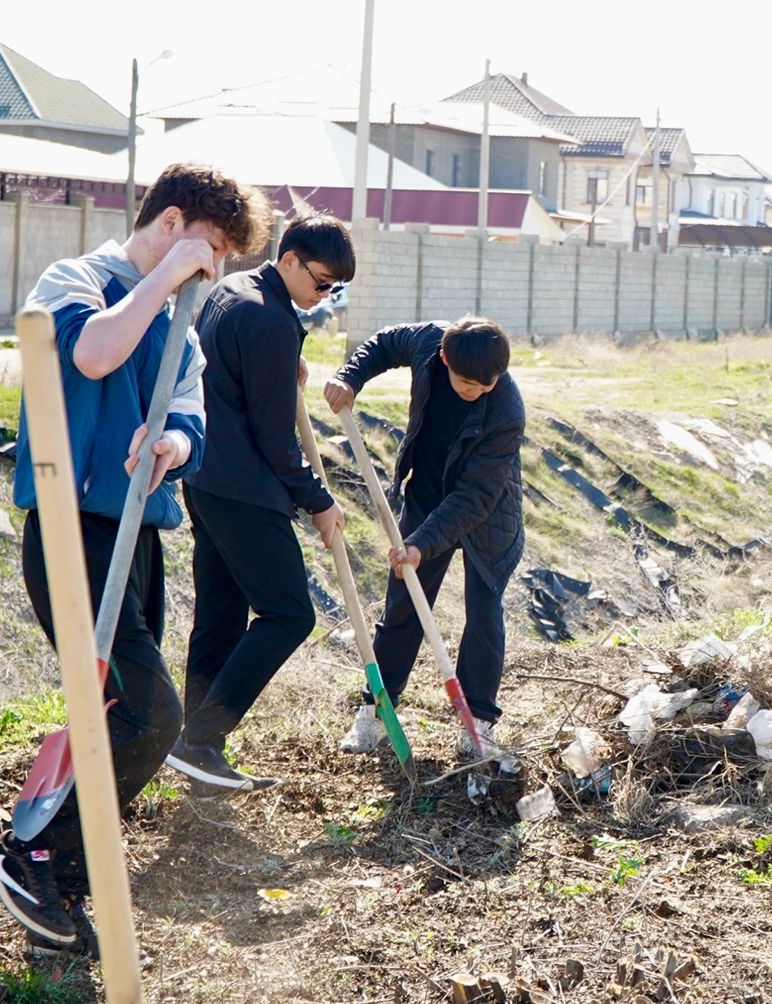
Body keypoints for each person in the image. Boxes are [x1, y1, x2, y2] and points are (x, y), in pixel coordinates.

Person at [0, 163, 269, 955]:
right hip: (71, 529)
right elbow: (93, 356)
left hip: (139, 531)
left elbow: (190, 412)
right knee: (152, 714)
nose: (212, 274)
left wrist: (171, 442)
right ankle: (30, 853)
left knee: (112, 715)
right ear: (171, 224)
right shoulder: (77, 280)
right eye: (209, 251)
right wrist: (164, 280)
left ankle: (58, 895)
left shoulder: (182, 322)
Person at [164, 213, 353, 794]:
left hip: (205, 475)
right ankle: (200, 737)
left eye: (335, 290)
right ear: (290, 259)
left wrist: (279, 366)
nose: (324, 296)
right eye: (321, 283)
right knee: (290, 614)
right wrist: (319, 501)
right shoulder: (270, 319)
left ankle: (193, 748)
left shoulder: (232, 290)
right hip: (245, 488)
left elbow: (230, 371)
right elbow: (276, 441)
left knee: (220, 612)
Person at [322, 317, 524, 757]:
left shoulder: (506, 408)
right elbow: (381, 342)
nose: (478, 392)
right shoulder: (429, 342)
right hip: (428, 491)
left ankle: (479, 723)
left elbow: (476, 495)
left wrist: (422, 543)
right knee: (404, 602)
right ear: (445, 358)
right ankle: (377, 712)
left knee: (484, 611)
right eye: (468, 383)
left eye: (487, 384)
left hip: (487, 513)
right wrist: (348, 377)